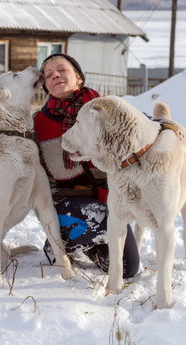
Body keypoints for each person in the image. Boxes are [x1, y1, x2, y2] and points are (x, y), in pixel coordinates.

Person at [33, 53, 140, 278]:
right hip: (64, 202)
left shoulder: (105, 113)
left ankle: (90, 244)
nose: (55, 75)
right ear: (46, 86)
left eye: (61, 70)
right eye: (48, 75)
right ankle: (57, 242)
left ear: (79, 78)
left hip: (108, 198)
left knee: (127, 269)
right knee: (103, 221)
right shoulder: (38, 124)